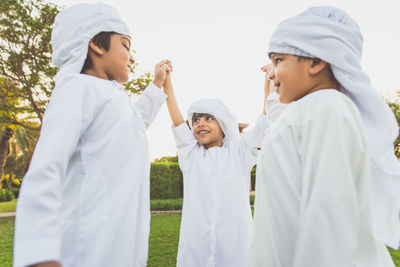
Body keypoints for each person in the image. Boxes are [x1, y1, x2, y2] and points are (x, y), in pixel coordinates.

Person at [13, 3, 170, 267]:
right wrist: (39, 255)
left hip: (117, 249)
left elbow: (132, 123)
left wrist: (156, 85)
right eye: (125, 45)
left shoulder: (109, 95)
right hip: (84, 249)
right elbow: (46, 169)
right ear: (97, 43)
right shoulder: (77, 88)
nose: (131, 57)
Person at [250, 6, 400, 267]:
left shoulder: (329, 110)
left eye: (278, 60)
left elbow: (328, 221)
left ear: (317, 62)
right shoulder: (306, 111)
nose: (271, 73)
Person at [161, 60, 270, 267]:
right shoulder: (190, 155)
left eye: (208, 118)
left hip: (236, 248)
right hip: (196, 248)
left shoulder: (240, 152)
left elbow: (264, 121)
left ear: (223, 125)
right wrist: (167, 85)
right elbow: (176, 120)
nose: (200, 123)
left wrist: (269, 86)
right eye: (195, 120)